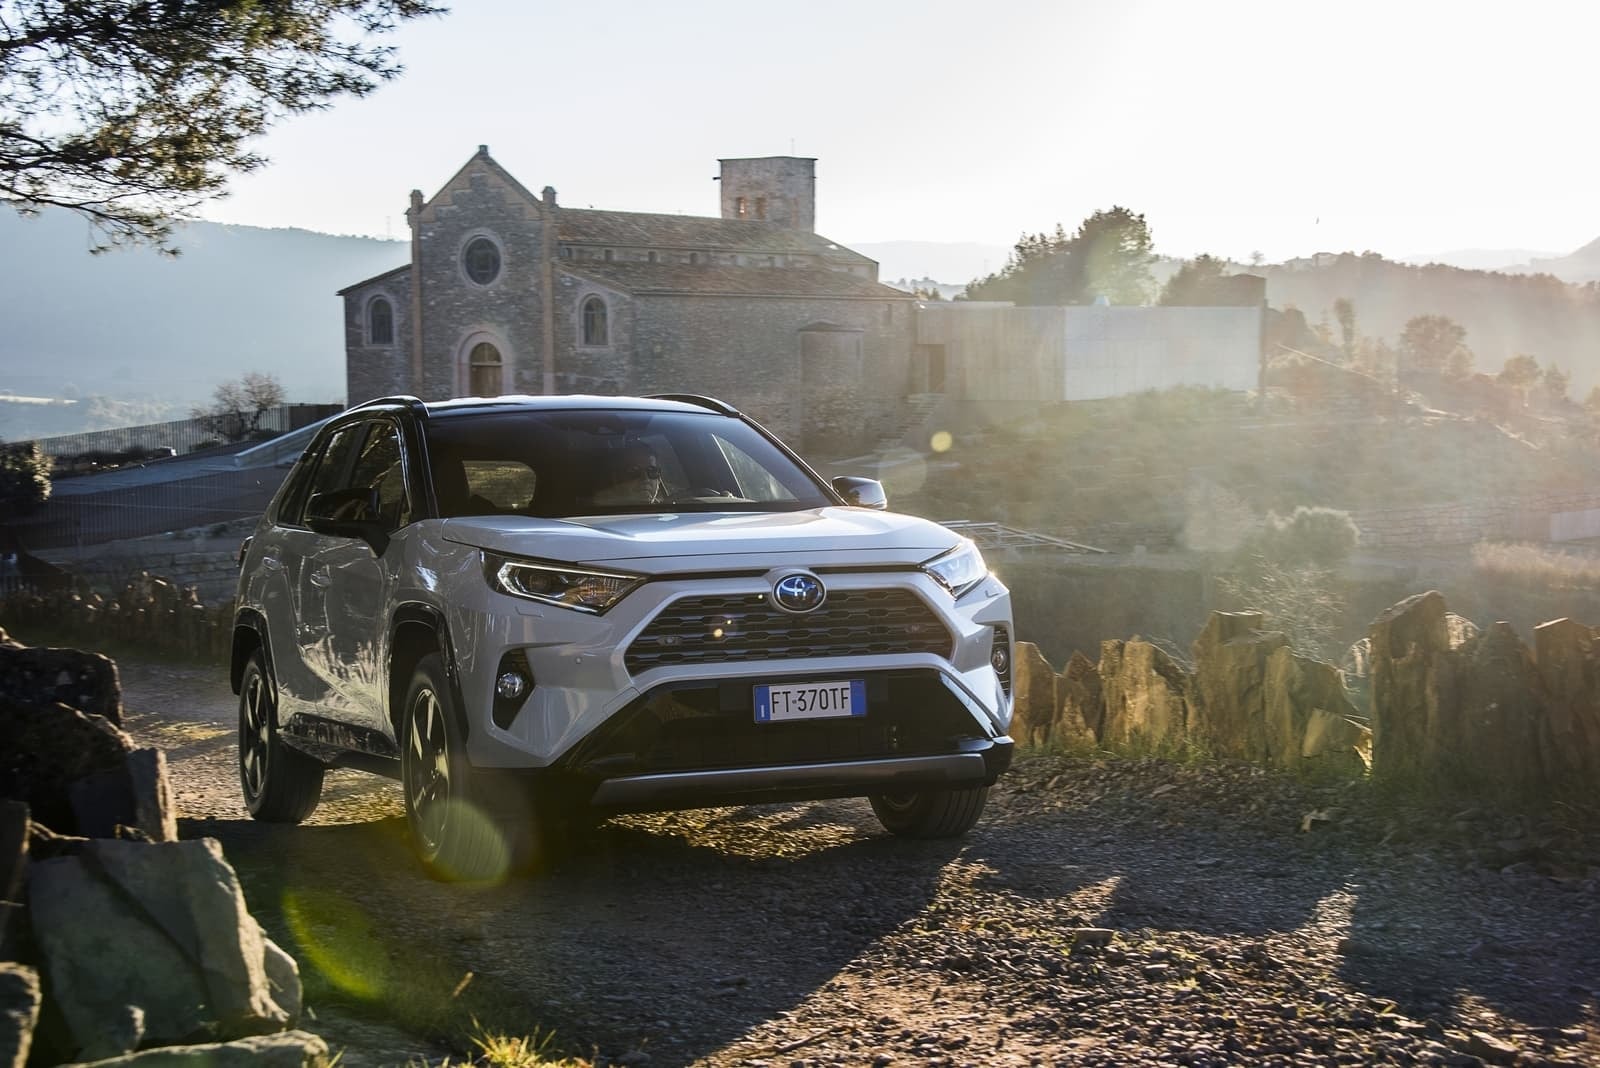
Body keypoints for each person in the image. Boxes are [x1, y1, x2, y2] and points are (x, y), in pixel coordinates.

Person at [592, 444, 667, 505]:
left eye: (652, 471)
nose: (645, 478)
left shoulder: (669, 512)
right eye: (634, 470)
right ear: (615, 478)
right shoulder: (597, 511)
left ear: (659, 480)